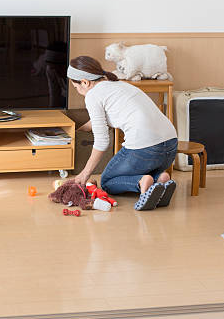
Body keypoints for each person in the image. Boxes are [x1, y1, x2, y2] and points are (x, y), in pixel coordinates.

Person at [69, 56, 178, 210]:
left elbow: (102, 142)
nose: (78, 91)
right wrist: (78, 131)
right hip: (170, 147)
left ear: (85, 82)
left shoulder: (93, 95)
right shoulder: (118, 85)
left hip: (145, 151)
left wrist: (84, 174)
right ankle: (160, 177)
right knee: (137, 167)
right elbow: (98, 120)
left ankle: (141, 182)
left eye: (76, 87)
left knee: (107, 181)